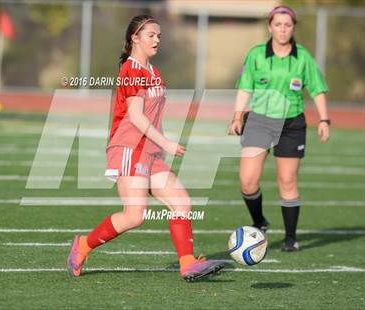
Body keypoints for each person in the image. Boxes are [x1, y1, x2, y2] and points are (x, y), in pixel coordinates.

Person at [67, 15, 225, 280]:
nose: (156, 40)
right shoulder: (131, 70)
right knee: (134, 216)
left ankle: (187, 263)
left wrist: (159, 147)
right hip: (129, 147)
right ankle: (82, 245)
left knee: (181, 202)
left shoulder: (154, 73)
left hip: (150, 152)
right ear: (134, 38)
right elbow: (137, 117)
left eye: (159, 36)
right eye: (150, 35)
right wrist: (166, 143)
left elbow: (153, 117)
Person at [229, 6, 330, 251]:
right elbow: (245, 87)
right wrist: (237, 116)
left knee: (287, 180)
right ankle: (259, 221)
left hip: (291, 124)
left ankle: (290, 239)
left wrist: (324, 120)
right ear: (270, 27)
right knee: (247, 182)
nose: (283, 29)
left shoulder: (303, 57)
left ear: (293, 27)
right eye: (278, 24)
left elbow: (316, 89)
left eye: (287, 25)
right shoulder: (256, 55)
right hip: (259, 121)